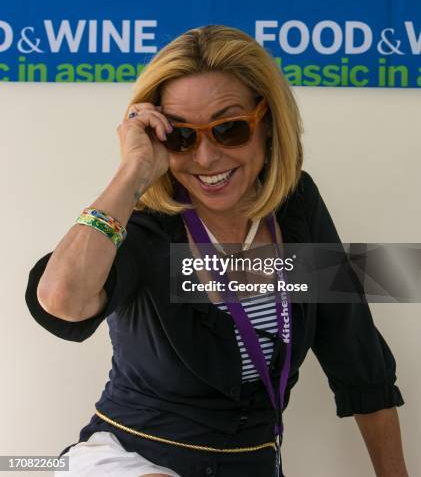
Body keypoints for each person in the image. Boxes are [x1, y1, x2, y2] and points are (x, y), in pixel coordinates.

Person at [25, 25, 408, 477]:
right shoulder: (146, 224)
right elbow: (62, 299)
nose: (206, 159)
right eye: (182, 137)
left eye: (229, 130)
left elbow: (354, 348)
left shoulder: (296, 205)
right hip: (135, 459)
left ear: (267, 123)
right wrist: (132, 172)